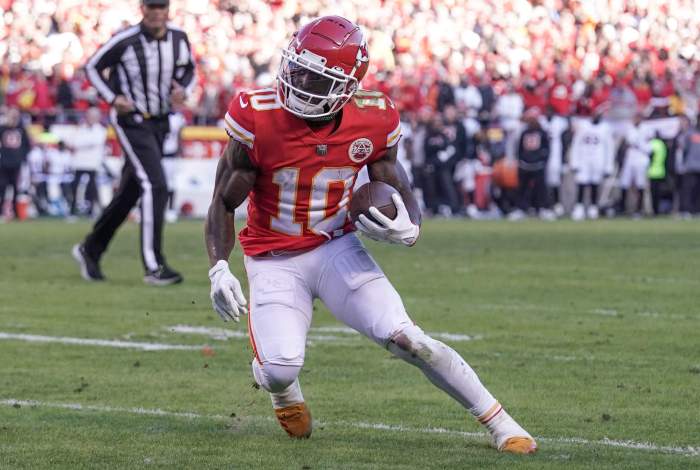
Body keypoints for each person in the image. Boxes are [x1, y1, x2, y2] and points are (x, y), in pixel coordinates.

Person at [204, 16, 536, 454]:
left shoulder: (375, 118)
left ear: (346, 86)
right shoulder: (256, 116)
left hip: (335, 247)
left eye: (316, 77)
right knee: (281, 367)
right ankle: (281, 389)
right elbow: (223, 200)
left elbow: (395, 180)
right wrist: (219, 267)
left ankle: (501, 423)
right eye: (296, 68)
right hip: (273, 258)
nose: (299, 82)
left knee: (409, 339)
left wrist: (411, 224)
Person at [72, 0, 195, 284]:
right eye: (151, 6)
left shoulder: (179, 37)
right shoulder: (125, 40)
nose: (156, 11)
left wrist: (183, 89)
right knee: (156, 184)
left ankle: (90, 248)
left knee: (130, 192)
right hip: (132, 121)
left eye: (161, 6)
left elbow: (188, 69)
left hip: (161, 120)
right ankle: (154, 266)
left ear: (168, 9)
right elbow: (91, 67)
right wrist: (113, 98)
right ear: (142, 9)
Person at [569, 112, 615, 220]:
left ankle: (593, 208)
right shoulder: (583, 126)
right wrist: (574, 162)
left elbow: (609, 148)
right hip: (584, 159)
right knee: (581, 183)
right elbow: (576, 144)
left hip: (599, 160)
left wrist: (608, 166)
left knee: (595, 184)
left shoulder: (605, 128)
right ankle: (579, 207)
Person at [511, 108, 551, 219]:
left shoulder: (542, 133)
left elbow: (546, 148)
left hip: (538, 165)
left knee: (540, 189)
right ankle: (520, 209)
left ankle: (542, 208)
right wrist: (521, 161)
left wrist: (542, 160)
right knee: (522, 189)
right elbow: (519, 148)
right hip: (525, 165)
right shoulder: (524, 132)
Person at [68, 107, 107, 217]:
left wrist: (80, 144)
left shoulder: (101, 130)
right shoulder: (80, 128)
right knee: (74, 187)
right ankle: (72, 211)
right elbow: (73, 142)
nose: (91, 118)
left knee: (92, 189)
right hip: (79, 163)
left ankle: (91, 211)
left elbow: (95, 141)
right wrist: (83, 144)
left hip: (92, 164)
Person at [0, 108, 32, 220]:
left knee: (15, 188)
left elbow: (27, 145)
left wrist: (21, 157)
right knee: (2, 188)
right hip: (3, 163)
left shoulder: (22, 129)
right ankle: (2, 212)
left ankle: (15, 212)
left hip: (16, 164)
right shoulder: (2, 128)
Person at [618, 116, 652, 217]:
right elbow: (626, 143)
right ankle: (622, 208)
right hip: (630, 159)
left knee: (640, 184)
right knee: (624, 182)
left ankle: (638, 209)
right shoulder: (629, 129)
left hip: (641, 160)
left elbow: (648, 147)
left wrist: (638, 144)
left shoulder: (646, 129)